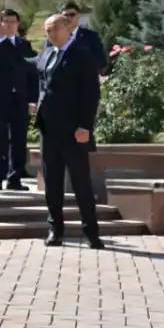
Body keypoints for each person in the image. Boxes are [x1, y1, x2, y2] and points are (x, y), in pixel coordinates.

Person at [33, 14, 103, 249]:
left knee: (81, 183)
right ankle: (56, 230)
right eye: (47, 30)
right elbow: (42, 81)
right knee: (52, 183)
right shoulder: (47, 53)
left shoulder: (82, 55)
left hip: (74, 132)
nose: (50, 34)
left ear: (67, 28)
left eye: (53, 29)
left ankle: (91, 232)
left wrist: (86, 126)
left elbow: (91, 94)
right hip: (49, 131)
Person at [0, 9, 37, 191]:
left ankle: (15, 177)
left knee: (19, 140)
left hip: (20, 100)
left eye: (13, 21)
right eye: (6, 21)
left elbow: (33, 75)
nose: (10, 25)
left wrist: (33, 99)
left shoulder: (25, 46)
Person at [59, 0, 107, 75]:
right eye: (65, 15)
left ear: (78, 16)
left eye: (72, 15)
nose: (68, 18)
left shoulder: (91, 36)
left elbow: (101, 62)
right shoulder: (54, 37)